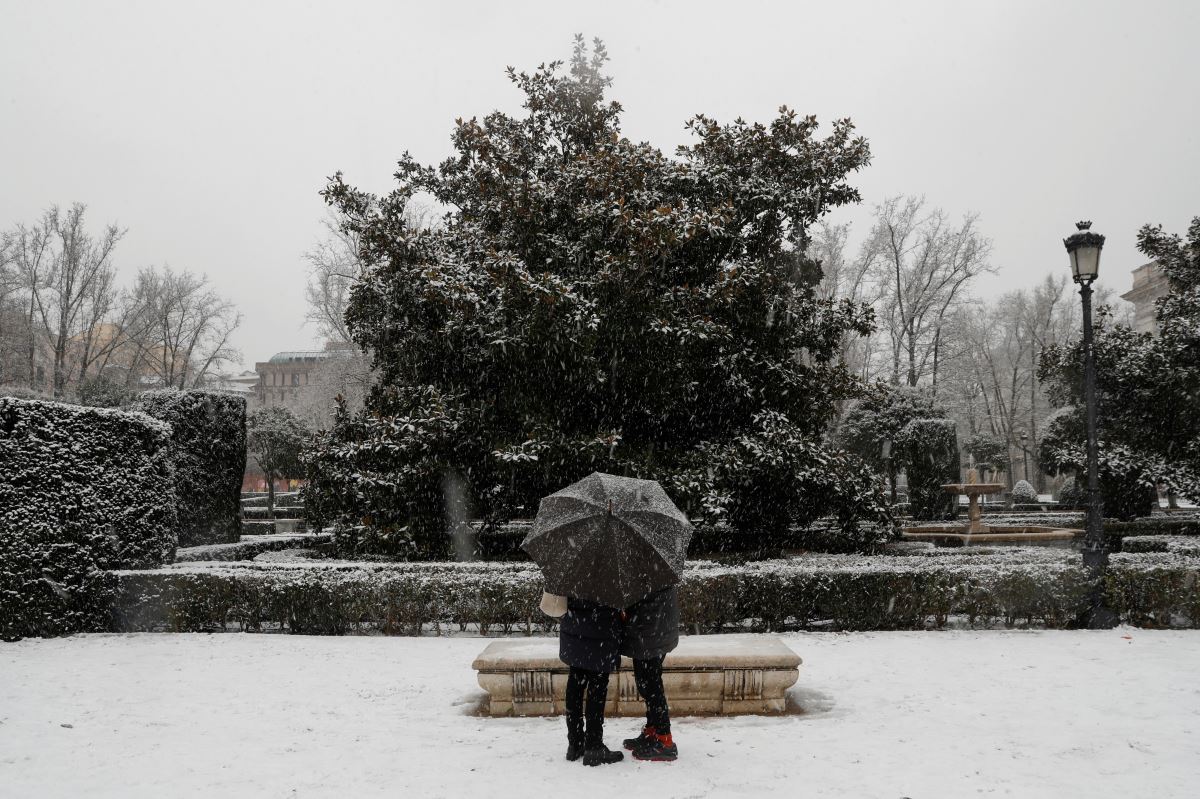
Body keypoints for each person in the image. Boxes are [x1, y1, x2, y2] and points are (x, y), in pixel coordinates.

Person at [540, 590, 625, 766]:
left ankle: (575, 743)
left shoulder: (573, 566)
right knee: (597, 689)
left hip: (575, 629)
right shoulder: (610, 568)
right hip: (601, 629)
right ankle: (594, 746)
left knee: (575, 685)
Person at [620, 585, 680, 761]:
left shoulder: (647, 570)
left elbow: (643, 599)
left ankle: (664, 740)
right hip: (652, 631)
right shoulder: (655, 568)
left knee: (651, 685)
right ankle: (653, 730)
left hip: (650, 632)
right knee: (647, 683)